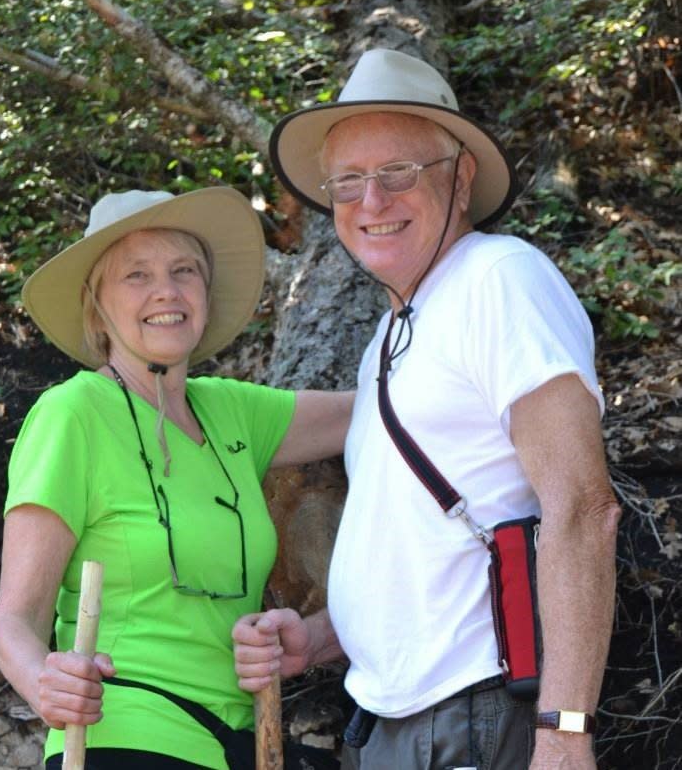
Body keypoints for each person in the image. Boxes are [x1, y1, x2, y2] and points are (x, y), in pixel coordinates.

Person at [232, 48, 621, 770]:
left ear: (460, 176)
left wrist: (565, 732)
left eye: (397, 173)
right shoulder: (389, 336)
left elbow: (581, 507)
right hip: (390, 724)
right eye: (348, 181)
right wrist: (316, 639)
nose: (370, 202)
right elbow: (422, 546)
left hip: (477, 717)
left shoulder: (499, 278)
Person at [0, 186, 352, 769]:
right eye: (136, 274)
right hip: (124, 734)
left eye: (184, 270)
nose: (167, 290)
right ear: (96, 304)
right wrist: (43, 683)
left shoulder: (233, 411)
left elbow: (375, 412)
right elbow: (16, 618)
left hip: (242, 741)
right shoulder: (72, 414)